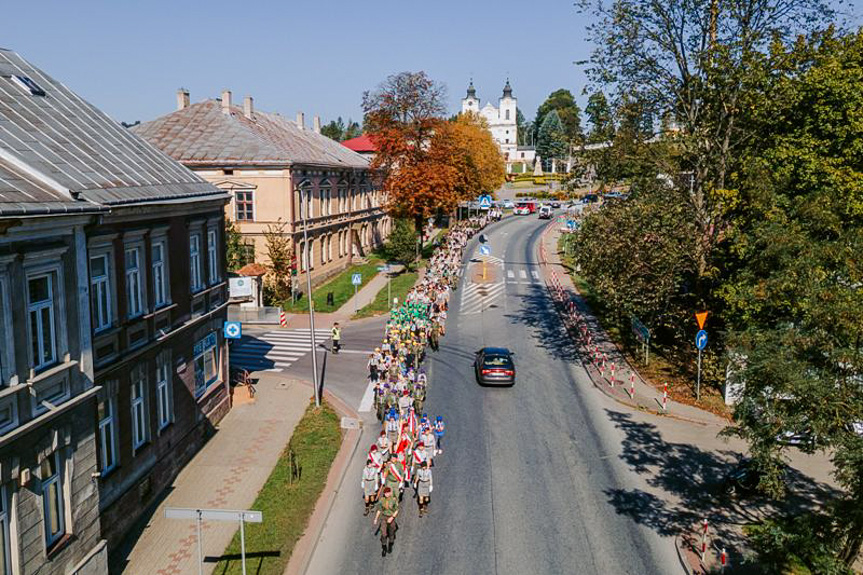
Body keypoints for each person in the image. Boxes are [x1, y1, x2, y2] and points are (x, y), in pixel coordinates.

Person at [373, 486, 400, 556]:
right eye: (385, 493)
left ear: (390, 493)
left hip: (391, 517)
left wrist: (392, 517)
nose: (386, 494)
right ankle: (384, 547)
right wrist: (376, 519)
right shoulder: (382, 500)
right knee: (383, 533)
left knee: (391, 532)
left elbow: (397, 510)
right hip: (384, 517)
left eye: (388, 492)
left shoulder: (393, 500)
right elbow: (379, 510)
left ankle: (390, 544)